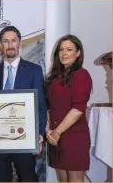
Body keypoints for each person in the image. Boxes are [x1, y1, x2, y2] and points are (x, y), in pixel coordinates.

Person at [0, 26, 47, 182]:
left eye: (13, 41)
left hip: (25, 139)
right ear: (0, 44)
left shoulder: (34, 70)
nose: (10, 45)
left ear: (20, 42)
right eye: (5, 41)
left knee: (28, 178)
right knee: (1, 179)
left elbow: (40, 106)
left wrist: (39, 136)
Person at [45, 34, 92, 182]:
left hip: (74, 137)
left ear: (78, 53)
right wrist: (48, 131)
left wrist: (57, 132)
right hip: (55, 137)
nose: (64, 53)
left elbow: (78, 109)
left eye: (69, 49)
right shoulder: (55, 77)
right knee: (62, 180)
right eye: (61, 50)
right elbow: (49, 107)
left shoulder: (81, 75)